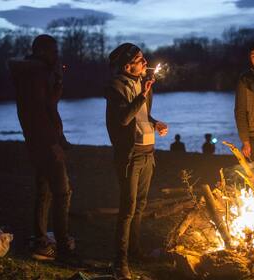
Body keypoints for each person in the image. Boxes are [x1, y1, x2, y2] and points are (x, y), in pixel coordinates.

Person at [8, 34, 74, 261]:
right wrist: (54, 144)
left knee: (44, 191)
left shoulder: (35, 73)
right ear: (42, 51)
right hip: (44, 143)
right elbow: (38, 113)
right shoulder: (35, 74)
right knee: (62, 192)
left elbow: (47, 105)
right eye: (54, 51)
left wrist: (56, 84)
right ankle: (62, 246)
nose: (57, 55)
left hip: (37, 142)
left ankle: (41, 239)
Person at [105, 43, 168, 280]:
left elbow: (141, 115)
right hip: (130, 155)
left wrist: (155, 122)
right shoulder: (115, 87)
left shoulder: (143, 85)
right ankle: (119, 261)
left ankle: (135, 250)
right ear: (127, 65)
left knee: (140, 205)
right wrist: (142, 95)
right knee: (128, 208)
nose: (145, 62)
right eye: (140, 59)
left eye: (144, 58)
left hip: (148, 152)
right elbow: (123, 118)